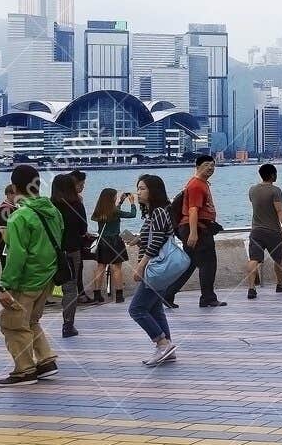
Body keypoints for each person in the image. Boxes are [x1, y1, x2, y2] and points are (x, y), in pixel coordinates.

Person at [0, 163, 64, 386]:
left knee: (12, 323)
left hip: (26, 280)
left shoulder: (19, 217)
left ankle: (24, 370)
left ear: (14, 188)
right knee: (31, 320)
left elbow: (17, 255)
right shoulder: (53, 211)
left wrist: (5, 286)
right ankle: (45, 361)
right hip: (48, 277)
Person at [128, 174, 179, 367]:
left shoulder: (158, 211)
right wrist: (139, 240)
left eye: (142, 188)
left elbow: (157, 242)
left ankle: (162, 343)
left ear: (153, 191)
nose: (138, 192)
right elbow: (158, 237)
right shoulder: (157, 211)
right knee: (155, 309)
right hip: (159, 268)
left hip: (154, 268)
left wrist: (140, 266)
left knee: (137, 309)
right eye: (138, 188)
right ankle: (167, 348)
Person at [166, 154, 224, 308]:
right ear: (197, 167)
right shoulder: (196, 185)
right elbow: (193, 210)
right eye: (206, 165)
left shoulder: (201, 184)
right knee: (208, 263)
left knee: (189, 264)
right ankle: (208, 297)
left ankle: (167, 294)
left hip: (196, 227)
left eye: (213, 165)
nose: (211, 168)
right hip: (197, 228)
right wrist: (193, 233)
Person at [246, 163, 282, 300]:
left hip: (256, 231)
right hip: (273, 232)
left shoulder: (252, 190)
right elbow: (280, 210)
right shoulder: (275, 191)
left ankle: (251, 288)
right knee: (278, 259)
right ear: (273, 175)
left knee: (254, 259)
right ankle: (280, 284)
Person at [49, 173, 90, 338]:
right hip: (72, 251)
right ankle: (68, 325)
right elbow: (83, 228)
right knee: (70, 288)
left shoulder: (50, 206)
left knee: (46, 284)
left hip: (52, 251)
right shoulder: (76, 204)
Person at [90, 187, 136, 303]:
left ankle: (97, 295)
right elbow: (132, 214)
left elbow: (107, 215)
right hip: (115, 241)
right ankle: (119, 296)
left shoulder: (99, 211)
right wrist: (132, 203)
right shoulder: (115, 212)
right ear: (112, 198)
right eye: (115, 196)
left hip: (102, 241)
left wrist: (120, 202)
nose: (116, 197)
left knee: (100, 267)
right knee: (116, 268)